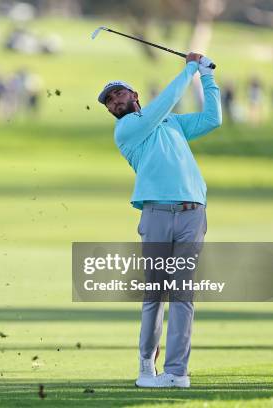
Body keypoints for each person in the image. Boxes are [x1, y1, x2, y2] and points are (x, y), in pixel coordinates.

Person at [97, 53, 222, 388]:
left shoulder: (172, 123)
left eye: (119, 94)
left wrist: (207, 77)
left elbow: (213, 119)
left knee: (182, 296)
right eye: (109, 101)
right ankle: (145, 364)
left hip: (192, 214)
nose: (115, 101)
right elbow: (165, 101)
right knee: (155, 293)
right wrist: (189, 69)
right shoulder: (127, 129)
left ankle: (177, 372)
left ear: (134, 94)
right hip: (155, 215)